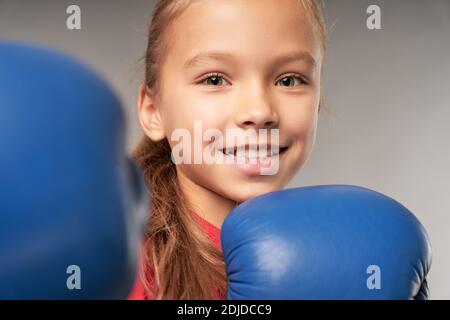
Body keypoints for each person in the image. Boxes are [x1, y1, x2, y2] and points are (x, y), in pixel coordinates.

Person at [128, 0, 326, 299]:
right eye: (215, 79)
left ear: (318, 103)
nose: (259, 111)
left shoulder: (322, 253)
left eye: (289, 80)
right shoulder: (125, 264)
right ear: (154, 110)